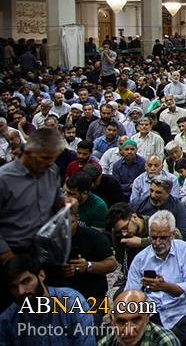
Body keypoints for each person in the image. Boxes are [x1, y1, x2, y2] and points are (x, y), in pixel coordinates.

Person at [124, 210, 186, 345]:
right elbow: (130, 293)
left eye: (162, 238)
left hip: (181, 312)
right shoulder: (140, 259)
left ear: (172, 235)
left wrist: (165, 287)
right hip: (152, 314)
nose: (157, 243)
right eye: (153, 237)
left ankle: (156, 341)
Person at [0, 127, 67, 264]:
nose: (51, 163)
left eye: (54, 158)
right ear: (28, 153)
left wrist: (65, 202)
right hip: (12, 252)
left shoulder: (51, 170)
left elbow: (56, 196)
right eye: (46, 158)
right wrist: (6, 256)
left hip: (44, 249)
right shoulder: (4, 179)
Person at [0, 254, 93, 346]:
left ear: (41, 276)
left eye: (26, 282)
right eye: (13, 287)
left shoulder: (72, 303)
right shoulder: (7, 319)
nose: (21, 291)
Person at [63, 200, 117, 322]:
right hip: (60, 294)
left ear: (77, 219)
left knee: (92, 321)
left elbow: (111, 264)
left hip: (91, 296)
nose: (66, 227)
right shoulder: (50, 240)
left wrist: (88, 266)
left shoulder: (93, 236)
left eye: (70, 222)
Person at [97, 289, 181, 346]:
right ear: (112, 320)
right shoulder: (106, 343)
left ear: (147, 317)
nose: (128, 331)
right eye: (121, 322)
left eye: (135, 320)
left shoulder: (165, 342)